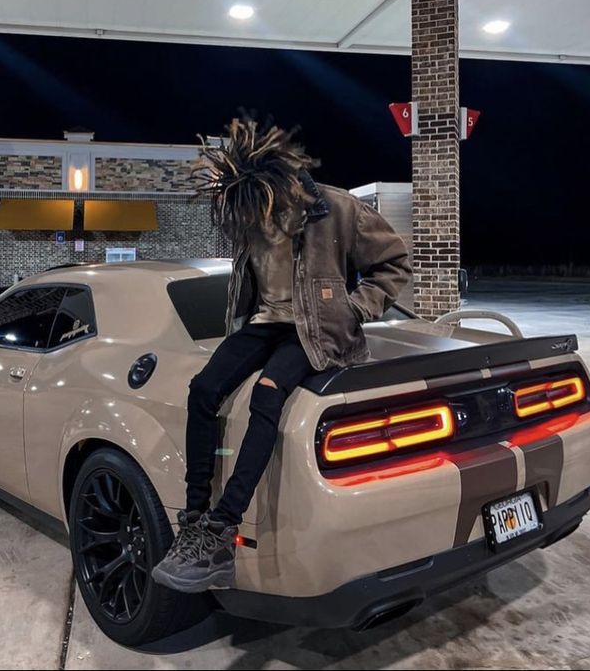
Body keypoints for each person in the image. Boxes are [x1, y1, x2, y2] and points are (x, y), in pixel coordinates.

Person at [151, 112, 412, 593]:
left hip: (316, 331)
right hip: (265, 324)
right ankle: (193, 516)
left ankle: (221, 529)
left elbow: (394, 262)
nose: (251, 221)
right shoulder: (248, 213)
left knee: (267, 394)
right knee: (203, 389)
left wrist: (353, 308)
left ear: (277, 182)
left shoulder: (335, 208)